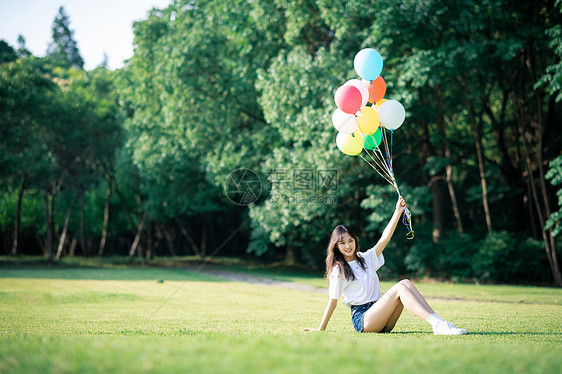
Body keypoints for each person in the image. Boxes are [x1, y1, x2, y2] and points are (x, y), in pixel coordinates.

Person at [304, 196, 468, 335]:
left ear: (355, 241)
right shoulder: (338, 271)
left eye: (350, 241)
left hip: (382, 317)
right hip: (364, 319)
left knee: (405, 283)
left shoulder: (365, 258)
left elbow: (384, 239)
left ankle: (439, 322)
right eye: (342, 243)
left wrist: (398, 212)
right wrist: (320, 329)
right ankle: (438, 325)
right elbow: (333, 302)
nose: (348, 246)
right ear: (336, 246)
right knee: (399, 287)